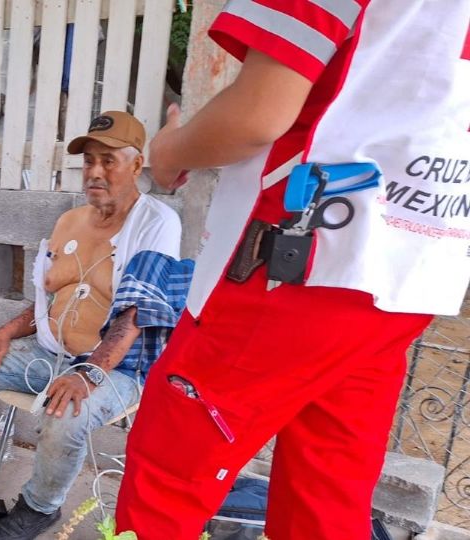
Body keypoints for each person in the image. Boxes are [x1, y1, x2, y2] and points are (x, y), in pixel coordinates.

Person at [115, 1, 470, 539]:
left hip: (297, 263)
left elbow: (258, 115)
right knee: (327, 492)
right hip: (411, 269)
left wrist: (169, 150)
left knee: (168, 478)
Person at [0, 112, 189, 540]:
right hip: (48, 354)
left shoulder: (156, 222)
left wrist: (88, 374)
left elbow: (136, 311)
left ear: (136, 164)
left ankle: (40, 507)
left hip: (116, 368)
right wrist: (2, 333)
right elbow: (48, 299)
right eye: (88, 160)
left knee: (66, 414)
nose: (94, 171)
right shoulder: (68, 222)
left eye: (108, 160)